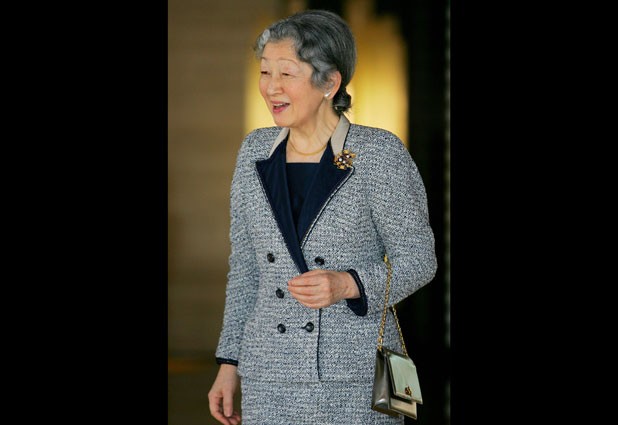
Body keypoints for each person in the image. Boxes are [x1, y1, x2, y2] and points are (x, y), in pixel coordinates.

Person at [207, 9, 437, 425]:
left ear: (330, 82)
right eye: (265, 72)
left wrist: (349, 283)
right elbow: (245, 269)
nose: (271, 87)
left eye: (286, 73)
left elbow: (419, 259)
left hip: (354, 379)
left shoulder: (378, 153)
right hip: (268, 375)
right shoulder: (254, 151)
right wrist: (229, 363)